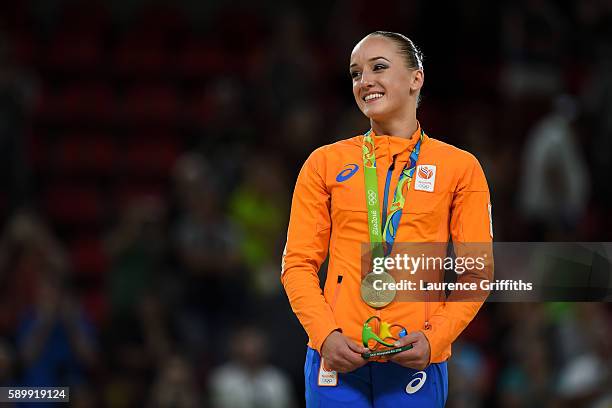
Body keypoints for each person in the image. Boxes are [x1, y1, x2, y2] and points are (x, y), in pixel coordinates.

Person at [281, 31, 493, 407]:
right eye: (355, 74)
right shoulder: (324, 164)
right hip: (336, 357)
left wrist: (435, 339)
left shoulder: (460, 168)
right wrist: (325, 334)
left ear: (416, 78)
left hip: (415, 357)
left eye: (378, 67)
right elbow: (297, 263)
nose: (365, 82)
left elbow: (476, 273)